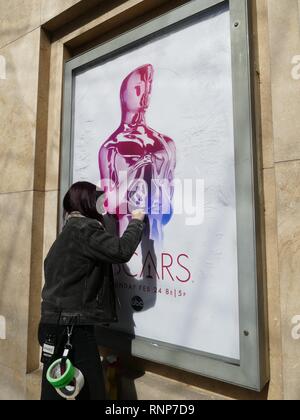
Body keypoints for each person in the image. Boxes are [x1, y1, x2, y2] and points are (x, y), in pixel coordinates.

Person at [38, 181, 145, 400]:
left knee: (55, 389)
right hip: (72, 329)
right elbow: (121, 250)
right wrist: (136, 221)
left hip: (51, 324)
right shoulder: (84, 228)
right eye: (98, 201)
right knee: (92, 390)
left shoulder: (68, 231)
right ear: (87, 202)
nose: (102, 206)